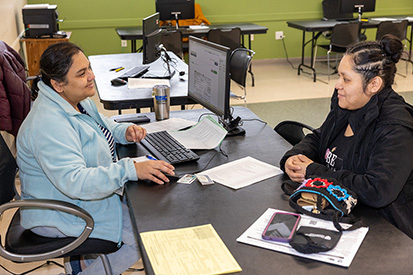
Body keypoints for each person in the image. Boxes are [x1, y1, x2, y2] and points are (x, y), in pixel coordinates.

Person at [16, 42, 175, 274]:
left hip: (79, 199)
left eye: (89, 68)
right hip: (60, 211)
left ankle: (80, 263)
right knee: (144, 237)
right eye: (82, 73)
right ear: (58, 84)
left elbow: (102, 126)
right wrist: (130, 169)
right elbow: (75, 181)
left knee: (148, 214)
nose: (91, 76)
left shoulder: (77, 102)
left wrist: (124, 132)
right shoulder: (49, 123)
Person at [280, 34, 413, 239]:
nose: (337, 85)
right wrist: (294, 157)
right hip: (343, 209)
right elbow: (320, 136)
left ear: (374, 85)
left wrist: (313, 171)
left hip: (386, 230)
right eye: (339, 76)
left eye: (346, 79)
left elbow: (376, 190)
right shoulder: (348, 101)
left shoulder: (395, 128)